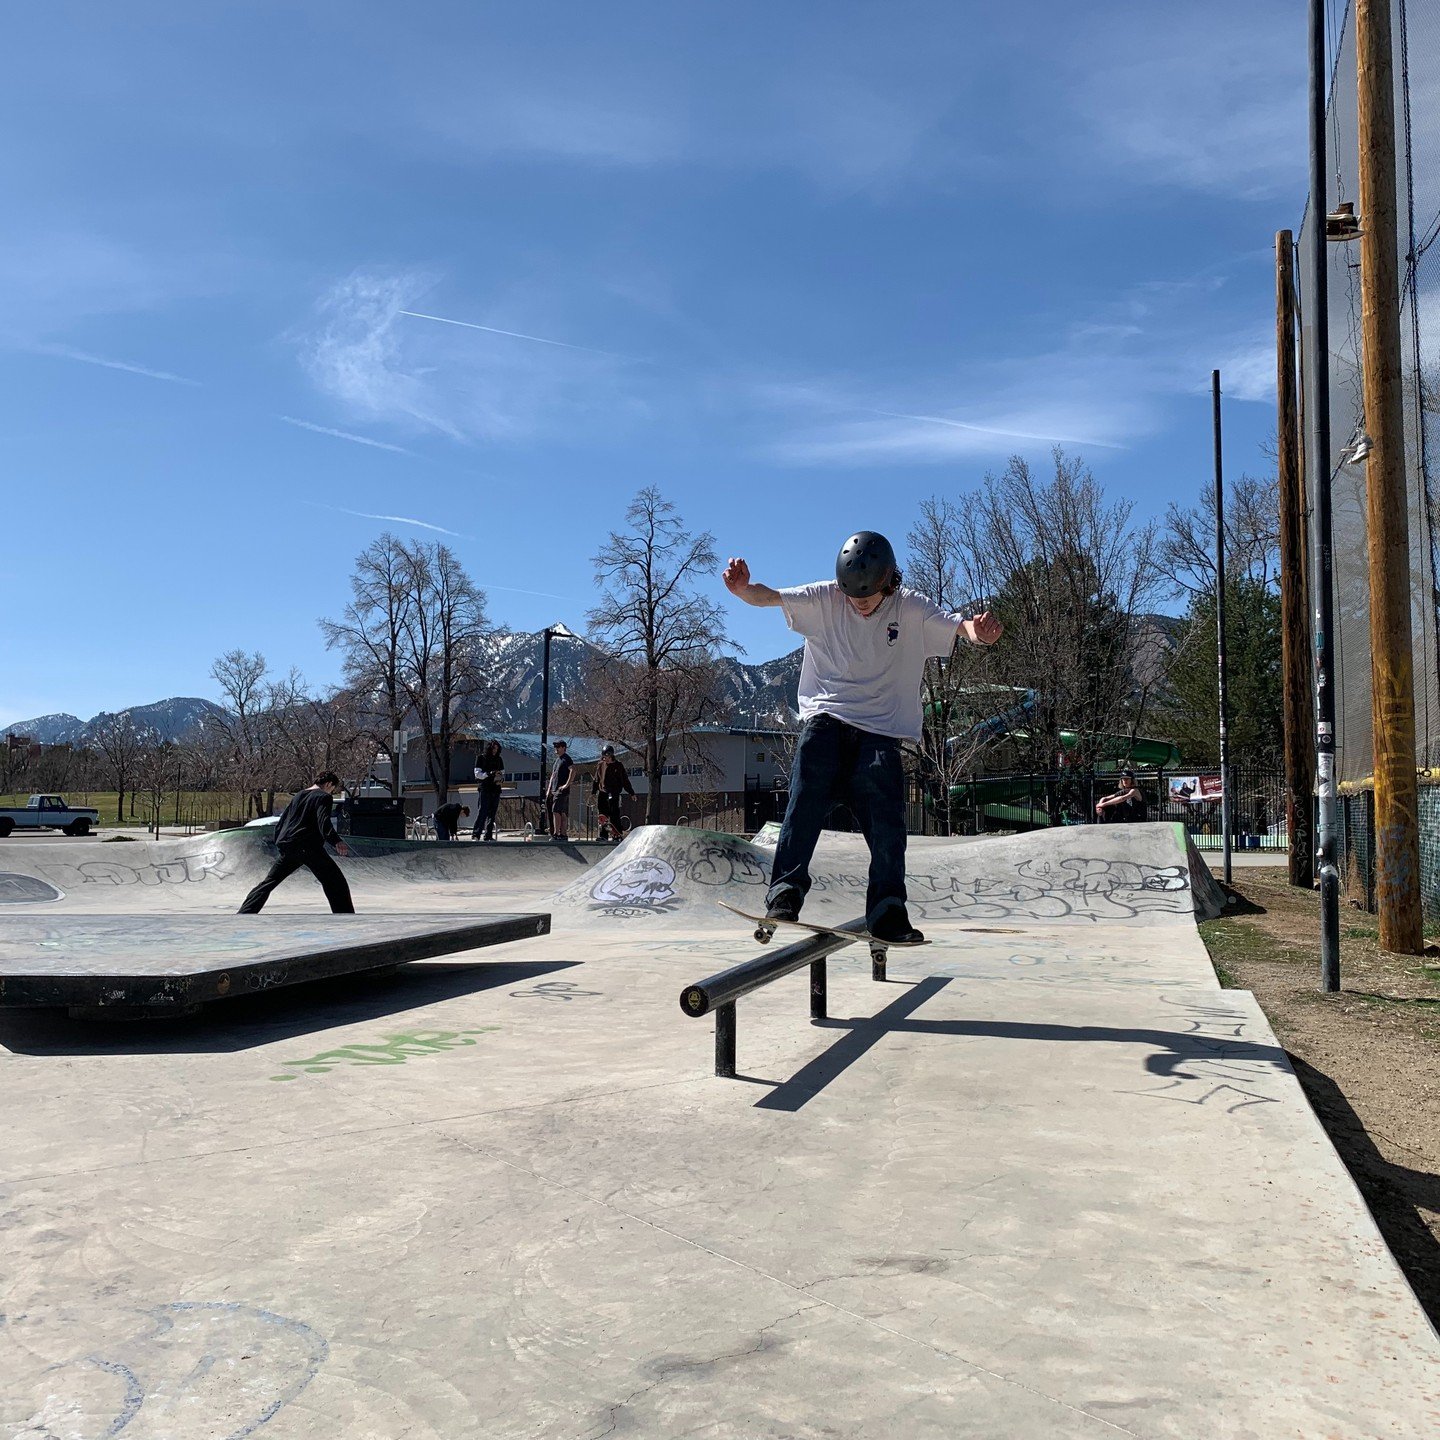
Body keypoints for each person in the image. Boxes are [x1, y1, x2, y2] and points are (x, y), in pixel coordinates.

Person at [723, 532, 1002, 942]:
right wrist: (744, 589)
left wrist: (981, 633)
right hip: (827, 720)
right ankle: (785, 893)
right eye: (853, 598)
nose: (860, 607)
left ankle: (888, 911)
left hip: (880, 733)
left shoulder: (911, 607)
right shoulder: (824, 598)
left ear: (888, 583)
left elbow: (959, 627)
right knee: (804, 802)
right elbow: (772, 597)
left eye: (868, 600)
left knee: (887, 822)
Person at [238, 771, 355, 915]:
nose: (332, 792)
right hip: (308, 846)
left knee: (270, 881)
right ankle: (345, 915)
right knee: (335, 881)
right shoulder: (323, 797)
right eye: (332, 789)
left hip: (289, 845)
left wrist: (280, 842)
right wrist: (335, 840)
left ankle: (245, 912)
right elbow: (323, 820)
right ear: (329, 784)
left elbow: (283, 820)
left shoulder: (299, 795)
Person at [592, 743, 635, 842]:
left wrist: (631, 792)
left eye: (607, 757)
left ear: (611, 755)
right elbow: (596, 779)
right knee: (602, 816)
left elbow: (625, 780)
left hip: (614, 793)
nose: (605, 759)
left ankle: (617, 834)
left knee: (614, 814)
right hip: (602, 793)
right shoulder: (600, 764)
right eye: (603, 757)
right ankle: (603, 835)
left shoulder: (618, 766)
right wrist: (593, 792)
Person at [472, 740, 505, 841]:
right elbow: (477, 774)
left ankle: (488, 835)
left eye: (497, 749)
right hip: (485, 788)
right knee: (482, 810)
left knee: (492, 813)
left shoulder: (499, 759)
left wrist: (500, 777)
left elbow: (503, 772)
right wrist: (489, 774)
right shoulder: (481, 758)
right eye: (493, 748)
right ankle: (476, 834)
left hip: (496, 788)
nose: (495, 751)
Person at [545, 739, 573, 841]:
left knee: (557, 811)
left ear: (563, 748)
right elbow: (553, 775)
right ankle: (563, 834)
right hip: (554, 789)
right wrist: (549, 789)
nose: (556, 749)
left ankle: (557, 834)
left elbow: (573, 770)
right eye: (555, 747)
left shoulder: (566, 759)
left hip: (561, 791)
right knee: (561, 812)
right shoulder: (557, 760)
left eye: (558, 747)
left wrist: (566, 785)